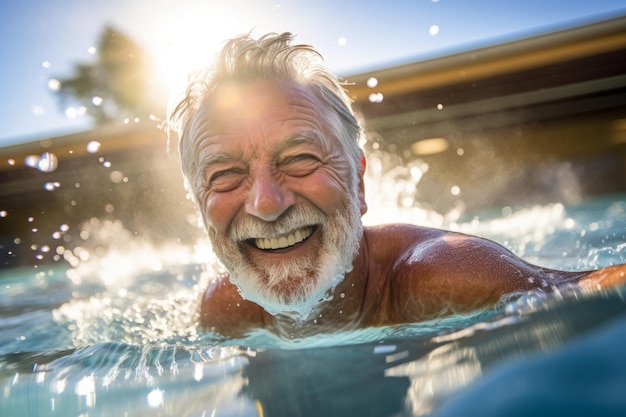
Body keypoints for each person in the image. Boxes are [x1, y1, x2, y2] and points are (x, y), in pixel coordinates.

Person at [167, 32, 626, 339]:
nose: (266, 204)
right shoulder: (223, 310)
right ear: (200, 206)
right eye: (225, 175)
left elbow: (594, 290)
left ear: (360, 183)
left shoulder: (442, 275)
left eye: (300, 159)